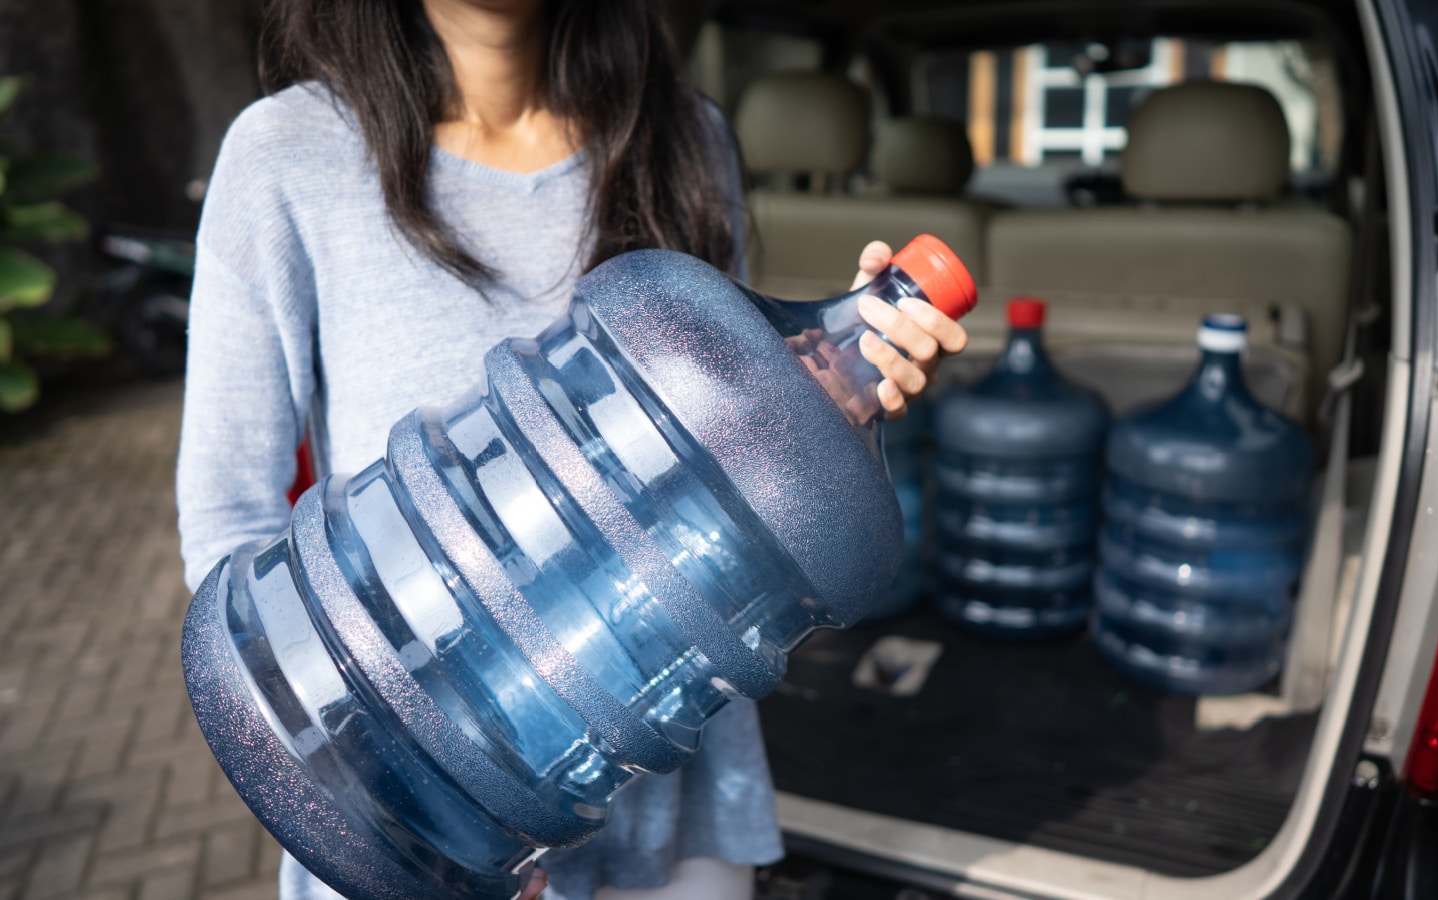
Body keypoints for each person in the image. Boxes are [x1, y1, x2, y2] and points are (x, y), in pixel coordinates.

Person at [174, 0, 969, 898]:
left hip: (664, 780)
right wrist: (420, 823)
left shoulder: (683, 134)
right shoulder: (287, 153)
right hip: (416, 806)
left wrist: (839, 382)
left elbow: (727, 446)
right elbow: (227, 511)